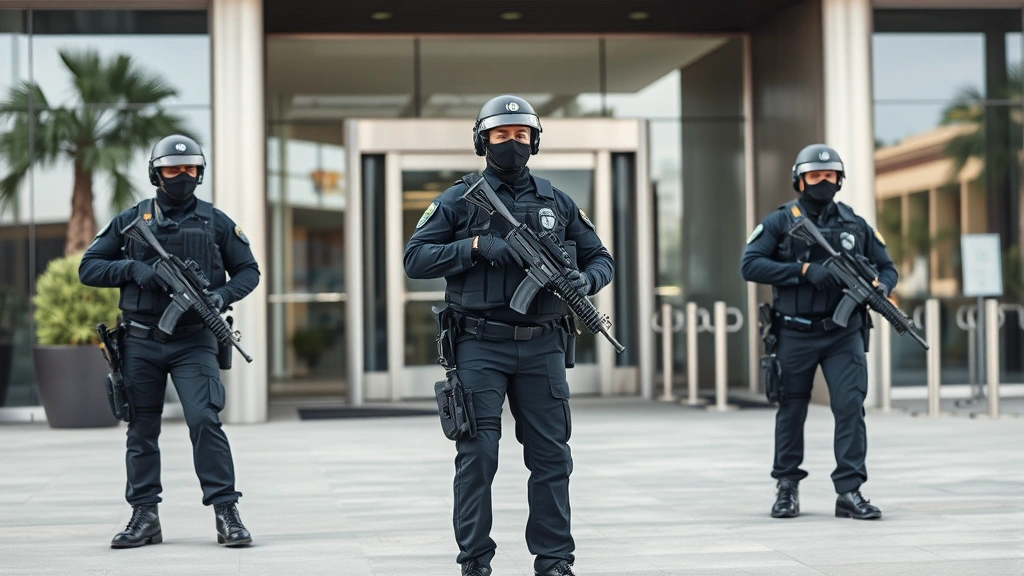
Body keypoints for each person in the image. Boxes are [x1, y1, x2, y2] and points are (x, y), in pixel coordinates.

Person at [404, 95, 614, 576]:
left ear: (534, 141)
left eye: (522, 135)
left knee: (552, 458)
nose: (513, 143)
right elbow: (415, 258)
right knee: (477, 455)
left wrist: (588, 280)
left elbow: (601, 257)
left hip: (543, 346)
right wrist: (476, 246)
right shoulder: (458, 199)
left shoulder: (557, 201)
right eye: (502, 135)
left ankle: (555, 560)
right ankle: (475, 560)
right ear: (483, 141)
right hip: (479, 344)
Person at [79, 135, 259, 548]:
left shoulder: (216, 222)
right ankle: (145, 516)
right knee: (141, 429)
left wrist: (221, 296)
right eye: (172, 170)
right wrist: (133, 270)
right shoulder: (132, 221)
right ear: (155, 174)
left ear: (200, 172)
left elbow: (249, 271)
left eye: (190, 169)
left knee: (204, 420)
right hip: (140, 341)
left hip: (195, 341)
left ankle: (226, 511)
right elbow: (89, 267)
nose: (182, 176)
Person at [740, 144, 897, 521]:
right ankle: (786, 488)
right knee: (791, 410)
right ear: (800, 180)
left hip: (844, 334)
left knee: (849, 409)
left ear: (839, 180)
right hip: (794, 333)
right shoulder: (781, 221)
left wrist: (881, 287)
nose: (823, 182)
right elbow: (750, 265)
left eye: (830, 176)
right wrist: (804, 272)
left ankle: (849, 491)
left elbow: (887, 267)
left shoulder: (855, 224)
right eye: (815, 176)